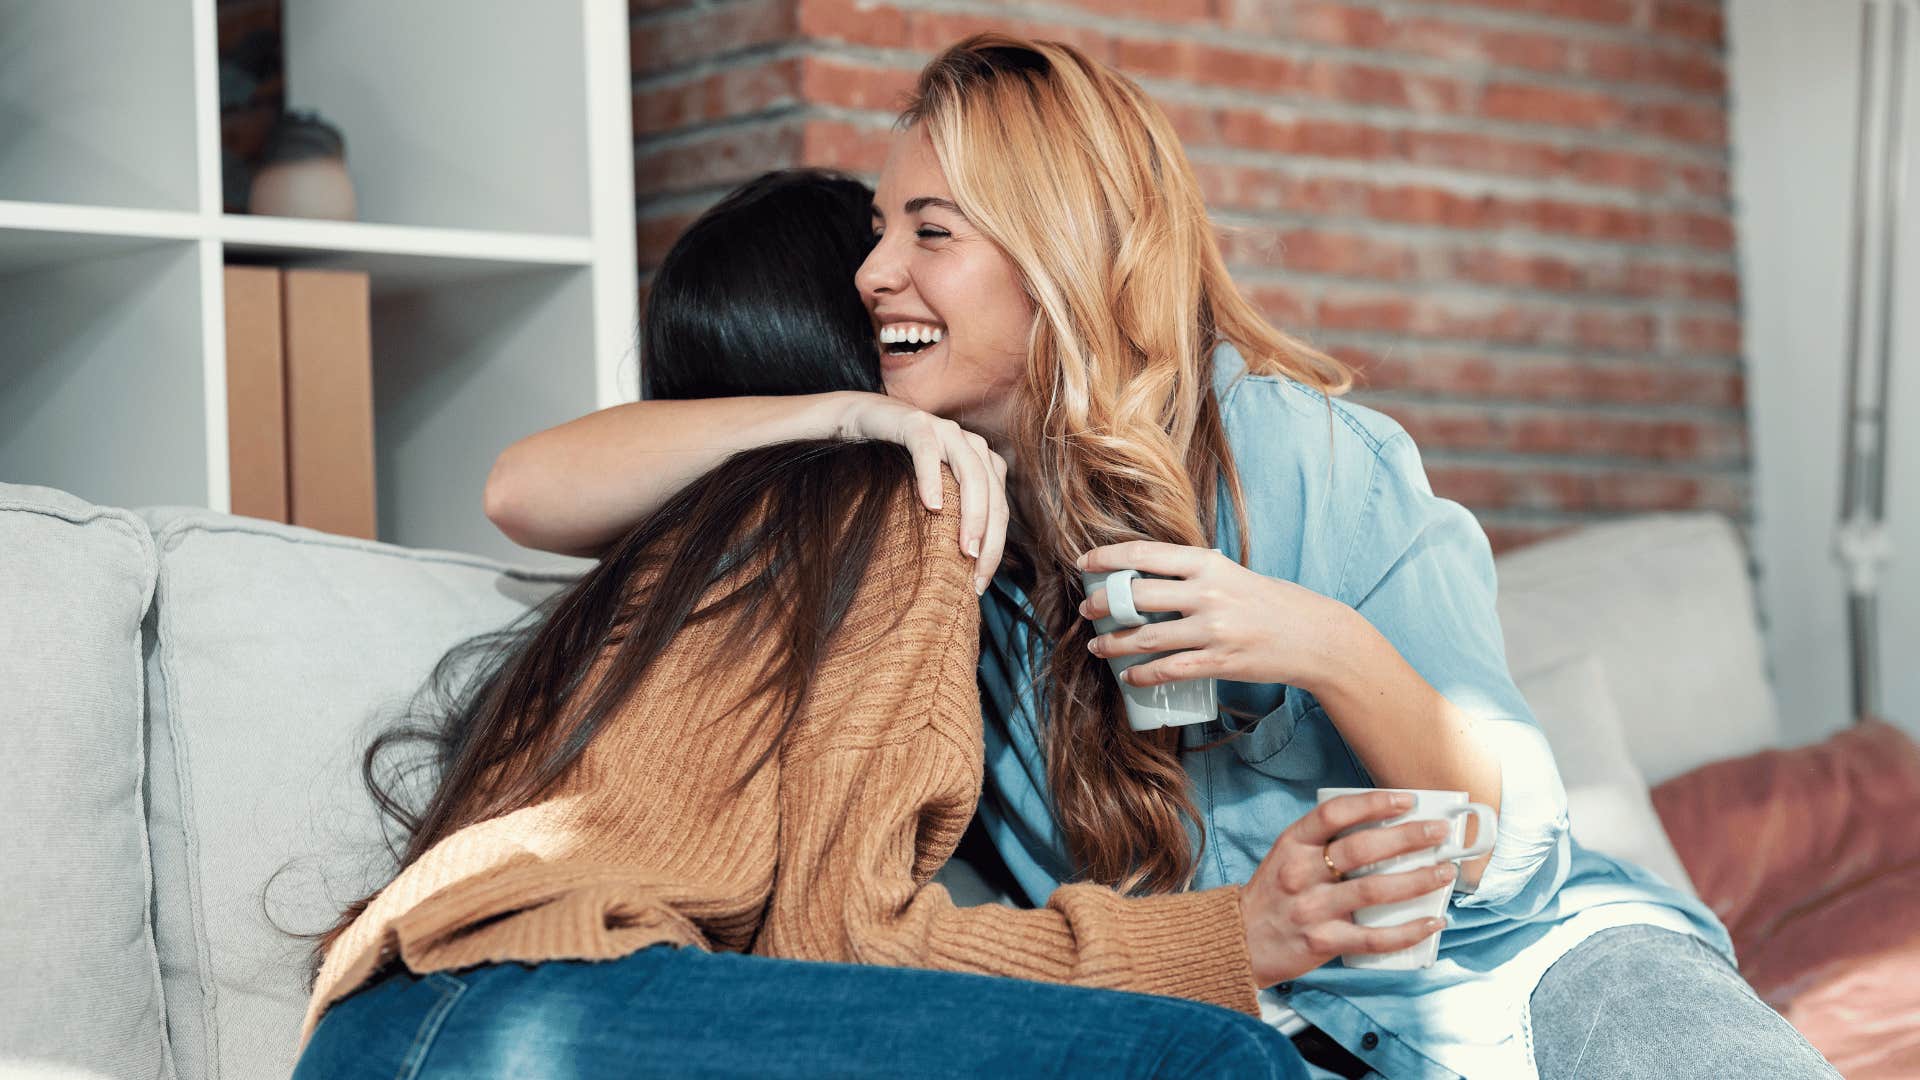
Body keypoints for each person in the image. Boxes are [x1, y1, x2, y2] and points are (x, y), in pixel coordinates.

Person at [485, 34, 1843, 1080]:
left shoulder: (1287, 448)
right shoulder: (930, 536)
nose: (872, 275)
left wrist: (1316, 642)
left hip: (1526, 967)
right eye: (880, 231)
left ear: (1056, 249)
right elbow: (529, 489)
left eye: (927, 233)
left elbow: (1520, 857)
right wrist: (834, 410)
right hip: (1266, 1027)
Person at [288, 168, 1430, 1079]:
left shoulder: (697, 541)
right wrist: (1230, 942)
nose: (902, 286)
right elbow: (854, 945)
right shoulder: (887, 506)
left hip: (405, 1022)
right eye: (889, 263)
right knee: (1216, 1063)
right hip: (532, 1010)